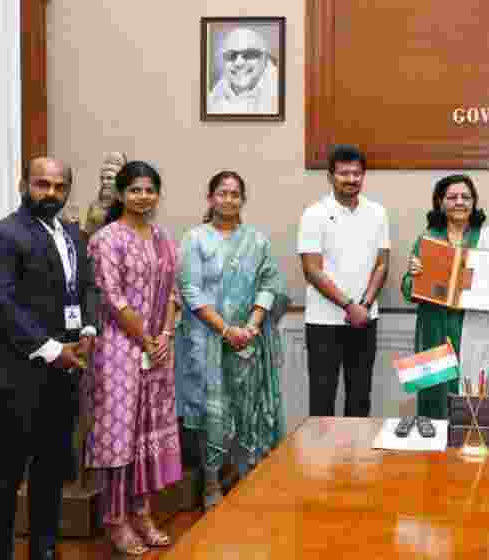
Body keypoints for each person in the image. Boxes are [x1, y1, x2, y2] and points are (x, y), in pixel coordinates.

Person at [0, 157, 98, 560]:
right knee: (9, 468)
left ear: (67, 190)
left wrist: (87, 332)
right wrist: (51, 349)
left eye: (58, 186)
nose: (50, 193)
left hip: (66, 370)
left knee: (51, 468)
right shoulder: (0, 235)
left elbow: (87, 287)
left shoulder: (73, 235)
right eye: (41, 184)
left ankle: (44, 549)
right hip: (17, 370)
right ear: (23, 185)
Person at [175, 171, 289, 509]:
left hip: (248, 343)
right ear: (210, 198)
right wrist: (226, 329)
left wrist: (251, 327)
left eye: (235, 194)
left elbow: (271, 285)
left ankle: (246, 479)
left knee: (248, 410)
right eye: (222, 193)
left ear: (243, 199)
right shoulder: (195, 239)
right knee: (213, 414)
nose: (228, 199)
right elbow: (190, 290)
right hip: (206, 341)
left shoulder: (257, 241)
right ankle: (211, 485)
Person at [86, 161, 182, 556]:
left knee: (146, 434)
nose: (143, 197)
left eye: (150, 190)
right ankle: (115, 519)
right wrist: (145, 338)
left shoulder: (162, 238)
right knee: (119, 437)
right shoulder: (107, 239)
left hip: (155, 350)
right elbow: (112, 297)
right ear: (122, 194)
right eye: (135, 190)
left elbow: (174, 293)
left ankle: (141, 512)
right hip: (119, 350)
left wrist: (165, 336)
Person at [401, 175, 489, 418]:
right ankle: (433, 452)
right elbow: (407, 288)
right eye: (452, 197)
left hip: (475, 326)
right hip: (435, 328)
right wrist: (414, 276)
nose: (459, 202)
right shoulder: (427, 239)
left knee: (473, 395)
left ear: (474, 202)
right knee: (435, 396)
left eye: (466, 197)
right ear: (440, 202)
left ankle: (469, 444)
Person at [298, 145, 390, 417]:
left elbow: (382, 263)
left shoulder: (378, 212)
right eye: (344, 173)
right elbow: (312, 270)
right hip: (324, 321)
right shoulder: (313, 214)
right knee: (322, 397)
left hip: (365, 319)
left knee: (360, 396)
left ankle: (357, 459)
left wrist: (364, 305)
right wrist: (350, 306)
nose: (351, 179)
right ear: (330, 176)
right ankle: (321, 460)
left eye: (357, 173)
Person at [207, 27, 279, 114]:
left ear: (265, 59)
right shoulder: (214, 98)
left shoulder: (281, 95)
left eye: (249, 54)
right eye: (231, 55)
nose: (238, 63)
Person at [83, 151, 127, 237]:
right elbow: (87, 233)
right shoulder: (95, 205)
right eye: (102, 178)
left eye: (109, 178)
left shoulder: (127, 205)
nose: (104, 182)